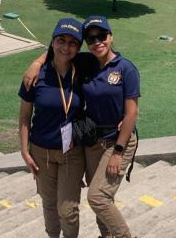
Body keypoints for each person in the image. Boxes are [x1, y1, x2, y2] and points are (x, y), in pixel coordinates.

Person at [25, 15, 140, 238]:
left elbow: (132, 112)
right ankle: (105, 235)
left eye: (102, 36)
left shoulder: (126, 68)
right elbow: (58, 51)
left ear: (111, 36)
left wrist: (118, 152)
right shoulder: (86, 62)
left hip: (117, 140)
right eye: (91, 38)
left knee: (97, 197)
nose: (97, 42)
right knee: (102, 194)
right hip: (91, 140)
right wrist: (36, 63)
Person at [19, 18, 86, 238]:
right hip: (41, 152)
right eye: (61, 40)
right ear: (53, 41)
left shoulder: (84, 69)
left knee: (67, 210)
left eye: (73, 42)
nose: (66, 47)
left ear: (79, 46)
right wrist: (24, 150)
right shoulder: (35, 76)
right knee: (49, 204)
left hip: (72, 153)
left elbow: (112, 63)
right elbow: (24, 116)